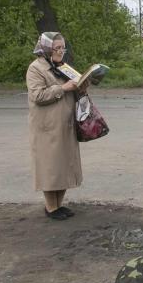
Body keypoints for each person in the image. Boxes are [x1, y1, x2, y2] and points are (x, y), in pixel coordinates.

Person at [26, 32, 85, 221]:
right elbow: (38, 96)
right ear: (46, 49)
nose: (61, 51)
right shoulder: (36, 68)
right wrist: (63, 88)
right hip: (47, 128)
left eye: (62, 48)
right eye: (57, 48)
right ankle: (51, 207)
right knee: (50, 167)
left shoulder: (62, 67)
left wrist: (83, 84)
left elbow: (74, 86)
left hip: (65, 125)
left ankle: (59, 205)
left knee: (63, 166)